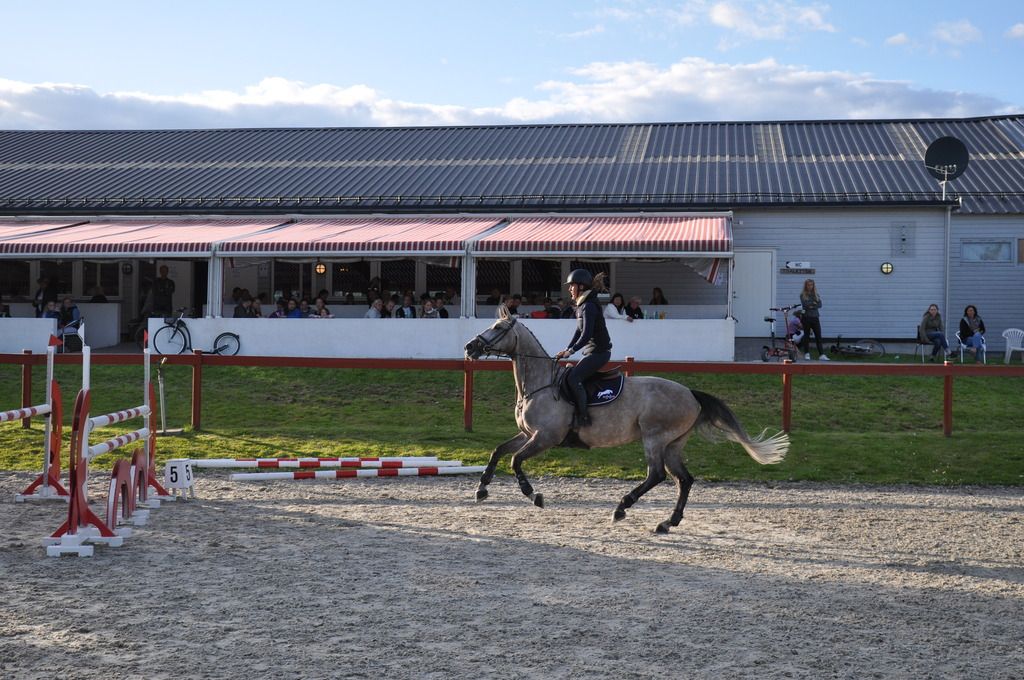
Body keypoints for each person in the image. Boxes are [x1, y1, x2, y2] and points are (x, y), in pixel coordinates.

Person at [554, 270, 612, 429]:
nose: (569, 289)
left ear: (581, 286)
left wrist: (571, 351)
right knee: (571, 376)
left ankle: (584, 417)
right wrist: (566, 349)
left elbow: (586, 335)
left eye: (571, 286)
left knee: (573, 378)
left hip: (599, 353)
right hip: (592, 352)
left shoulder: (589, 306)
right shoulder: (582, 305)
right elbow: (578, 331)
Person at [799, 279, 829, 361]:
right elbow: (806, 305)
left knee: (818, 336)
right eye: (808, 285)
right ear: (806, 286)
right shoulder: (802, 295)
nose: (810, 286)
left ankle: (821, 354)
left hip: (815, 317)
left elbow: (820, 304)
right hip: (806, 317)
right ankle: (807, 353)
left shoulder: (816, 294)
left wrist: (812, 305)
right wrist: (814, 304)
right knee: (807, 336)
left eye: (811, 285)